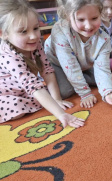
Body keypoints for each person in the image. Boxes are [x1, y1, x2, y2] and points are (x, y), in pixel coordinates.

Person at [0, 0, 85, 128]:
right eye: (23, 31)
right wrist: (61, 114)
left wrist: (56, 100)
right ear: (3, 34)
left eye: (35, 28)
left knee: (52, 94)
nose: (34, 36)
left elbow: (47, 69)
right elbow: (33, 86)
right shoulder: (9, 56)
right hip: (7, 93)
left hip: (25, 90)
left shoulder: (36, 42)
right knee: (17, 108)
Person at [45, 0, 112, 109]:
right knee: (65, 91)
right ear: (68, 16)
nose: (88, 26)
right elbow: (70, 67)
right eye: (81, 19)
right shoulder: (60, 31)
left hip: (83, 63)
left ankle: (79, 79)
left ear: (100, 14)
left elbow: (102, 69)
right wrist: (85, 93)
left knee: (102, 81)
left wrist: (108, 92)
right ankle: (74, 80)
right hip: (56, 64)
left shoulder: (104, 39)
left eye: (94, 18)